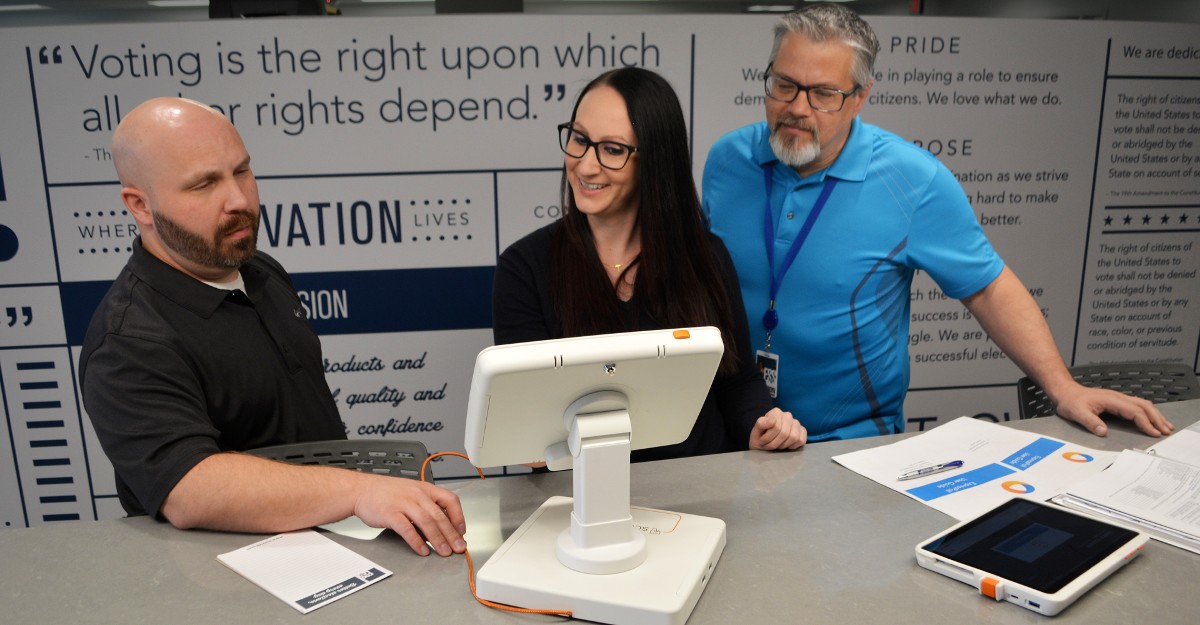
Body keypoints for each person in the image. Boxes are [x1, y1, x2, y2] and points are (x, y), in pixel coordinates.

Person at [702, 4, 1173, 442]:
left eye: (824, 94)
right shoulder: (727, 161)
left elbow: (989, 288)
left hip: (850, 441)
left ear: (860, 97)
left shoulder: (913, 181)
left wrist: (1063, 388)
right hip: (740, 428)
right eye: (784, 84)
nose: (798, 108)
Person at [79, 97, 466, 557]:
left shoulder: (259, 270)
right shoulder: (128, 340)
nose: (239, 201)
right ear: (140, 204)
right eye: (203, 184)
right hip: (227, 579)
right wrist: (360, 492)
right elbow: (189, 487)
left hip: (334, 542)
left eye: (241, 171)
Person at [493, 67, 806, 460]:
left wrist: (762, 425)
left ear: (654, 161)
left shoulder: (705, 257)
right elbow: (525, 420)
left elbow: (736, 382)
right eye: (579, 139)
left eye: (612, 149)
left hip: (702, 494)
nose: (586, 166)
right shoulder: (525, 268)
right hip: (579, 502)